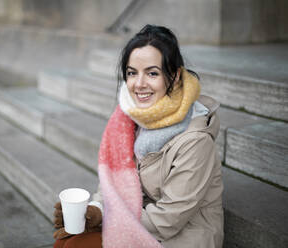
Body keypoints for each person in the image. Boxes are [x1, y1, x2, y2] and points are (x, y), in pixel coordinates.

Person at [53, 24, 224, 248]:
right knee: (68, 240)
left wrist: (104, 220)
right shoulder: (128, 119)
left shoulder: (195, 141)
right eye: (132, 73)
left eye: (152, 73)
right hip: (139, 221)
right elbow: (111, 187)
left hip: (183, 237)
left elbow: (168, 219)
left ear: (174, 76)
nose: (139, 84)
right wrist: (95, 210)